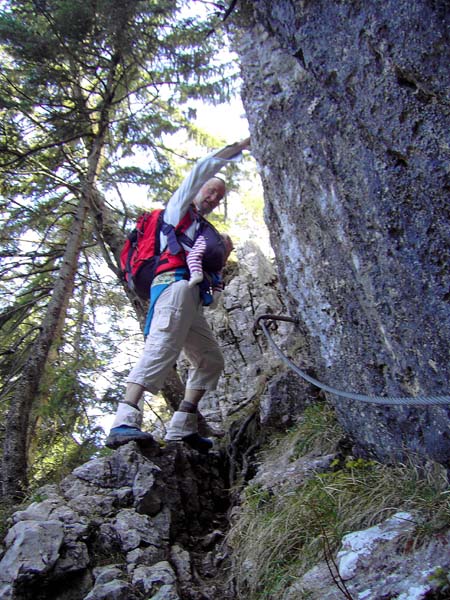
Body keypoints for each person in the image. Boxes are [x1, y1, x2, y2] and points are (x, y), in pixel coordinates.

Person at [105, 137, 251, 453]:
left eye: (219, 196)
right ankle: (123, 421)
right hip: (173, 286)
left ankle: (182, 428)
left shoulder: (201, 228)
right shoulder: (176, 211)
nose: (213, 198)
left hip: (191, 297)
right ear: (198, 191)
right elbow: (200, 170)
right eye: (210, 191)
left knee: (210, 359)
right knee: (162, 347)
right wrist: (234, 150)